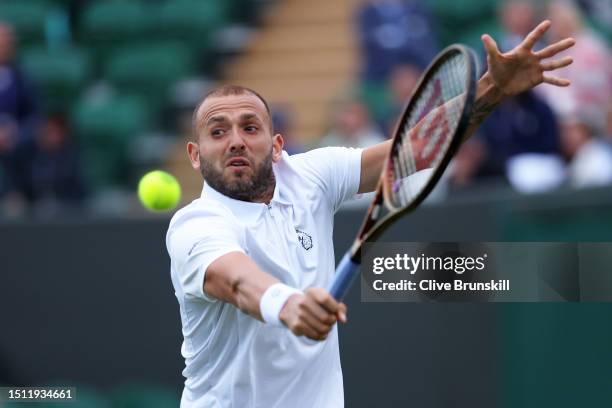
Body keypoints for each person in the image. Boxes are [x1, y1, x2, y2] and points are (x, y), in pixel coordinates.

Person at [166, 20, 575, 407]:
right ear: (195, 156)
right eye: (218, 131)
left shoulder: (309, 177)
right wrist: (287, 305)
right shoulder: (196, 225)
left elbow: (413, 150)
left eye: (249, 128)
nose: (235, 141)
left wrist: (492, 89)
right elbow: (238, 282)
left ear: (276, 146)